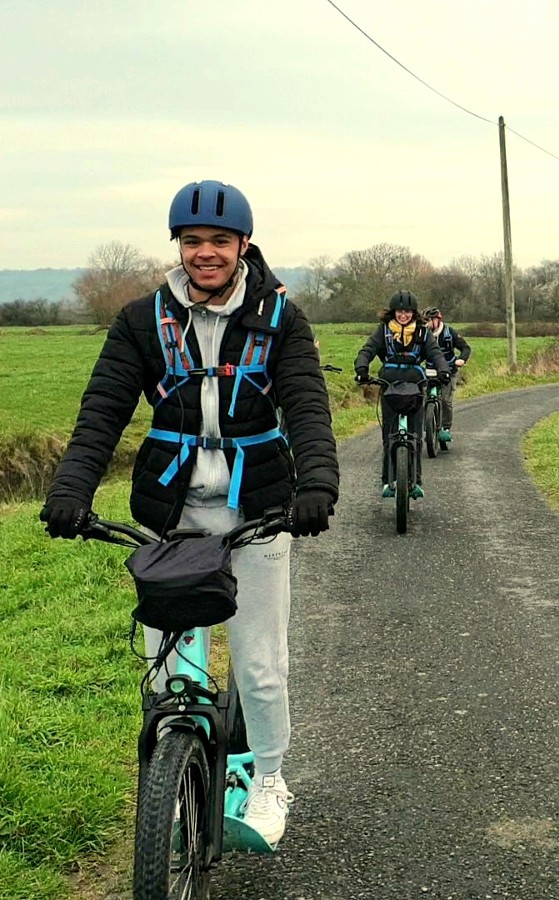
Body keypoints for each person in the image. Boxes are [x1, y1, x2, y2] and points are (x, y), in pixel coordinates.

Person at [40, 179, 339, 847]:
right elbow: (102, 411)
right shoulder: (141, 321)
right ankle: (177, 776)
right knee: (171, 668)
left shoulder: (280, 318)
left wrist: (316, 483)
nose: (206, 253)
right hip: (169, 514)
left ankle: (268, 778)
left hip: (257, 512)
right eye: (193, 240)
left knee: (259, 664)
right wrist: (71, 490)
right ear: (178, 245)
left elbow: (306, 405)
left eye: (220, 241)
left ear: (244, 245)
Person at [354, 291, 450, 498]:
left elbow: (435, 353)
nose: (403, 315)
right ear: (393, 312)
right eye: (400, 311)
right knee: (388, 435)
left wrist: (443, 370)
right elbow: (368, 350)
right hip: (389, 385)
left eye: (407, 311)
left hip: (415, 385)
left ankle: (416, 480)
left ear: (413, 313)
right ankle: (387, 481)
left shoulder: (422, 333)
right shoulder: (383, 331)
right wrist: (362, 368)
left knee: (416, 435)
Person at [422, 306, 471, 443]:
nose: (426, 324)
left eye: (428, 321)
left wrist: (461, 359)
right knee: (422, 399)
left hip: (449, 370)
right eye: (425, 321)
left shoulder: (449, 333)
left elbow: (465, 348)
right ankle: (428, 427)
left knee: (445, 400)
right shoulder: (423, 334)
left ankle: (446, 428)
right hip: (430, 371)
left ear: (437, 320)